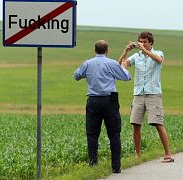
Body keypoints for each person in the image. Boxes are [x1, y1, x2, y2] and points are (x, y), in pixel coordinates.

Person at [73, 40, 131, 173]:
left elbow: (76, 76)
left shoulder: (88, 63)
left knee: (92, 134)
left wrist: (83, 65)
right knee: (114, 134)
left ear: (95, 50)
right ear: (107, 50)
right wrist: (123, 68)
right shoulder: (111, 63)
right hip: (110, 101)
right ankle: (116, 167)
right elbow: (126, 77)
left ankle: (93, 164)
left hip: (93, 101)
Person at [118, 31, 174, 163]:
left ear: (151, 43)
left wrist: (144, 50)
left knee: (158, 123)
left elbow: (159, 60)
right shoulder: (136, 56)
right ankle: (138, 155)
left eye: (145, 42)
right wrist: (125, 51)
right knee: (135, 124)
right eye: (140, 42)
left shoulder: (158, 53)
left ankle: (168, 153)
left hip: (153, 93)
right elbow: (119, 65)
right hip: (138, 93)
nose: (142, 44)